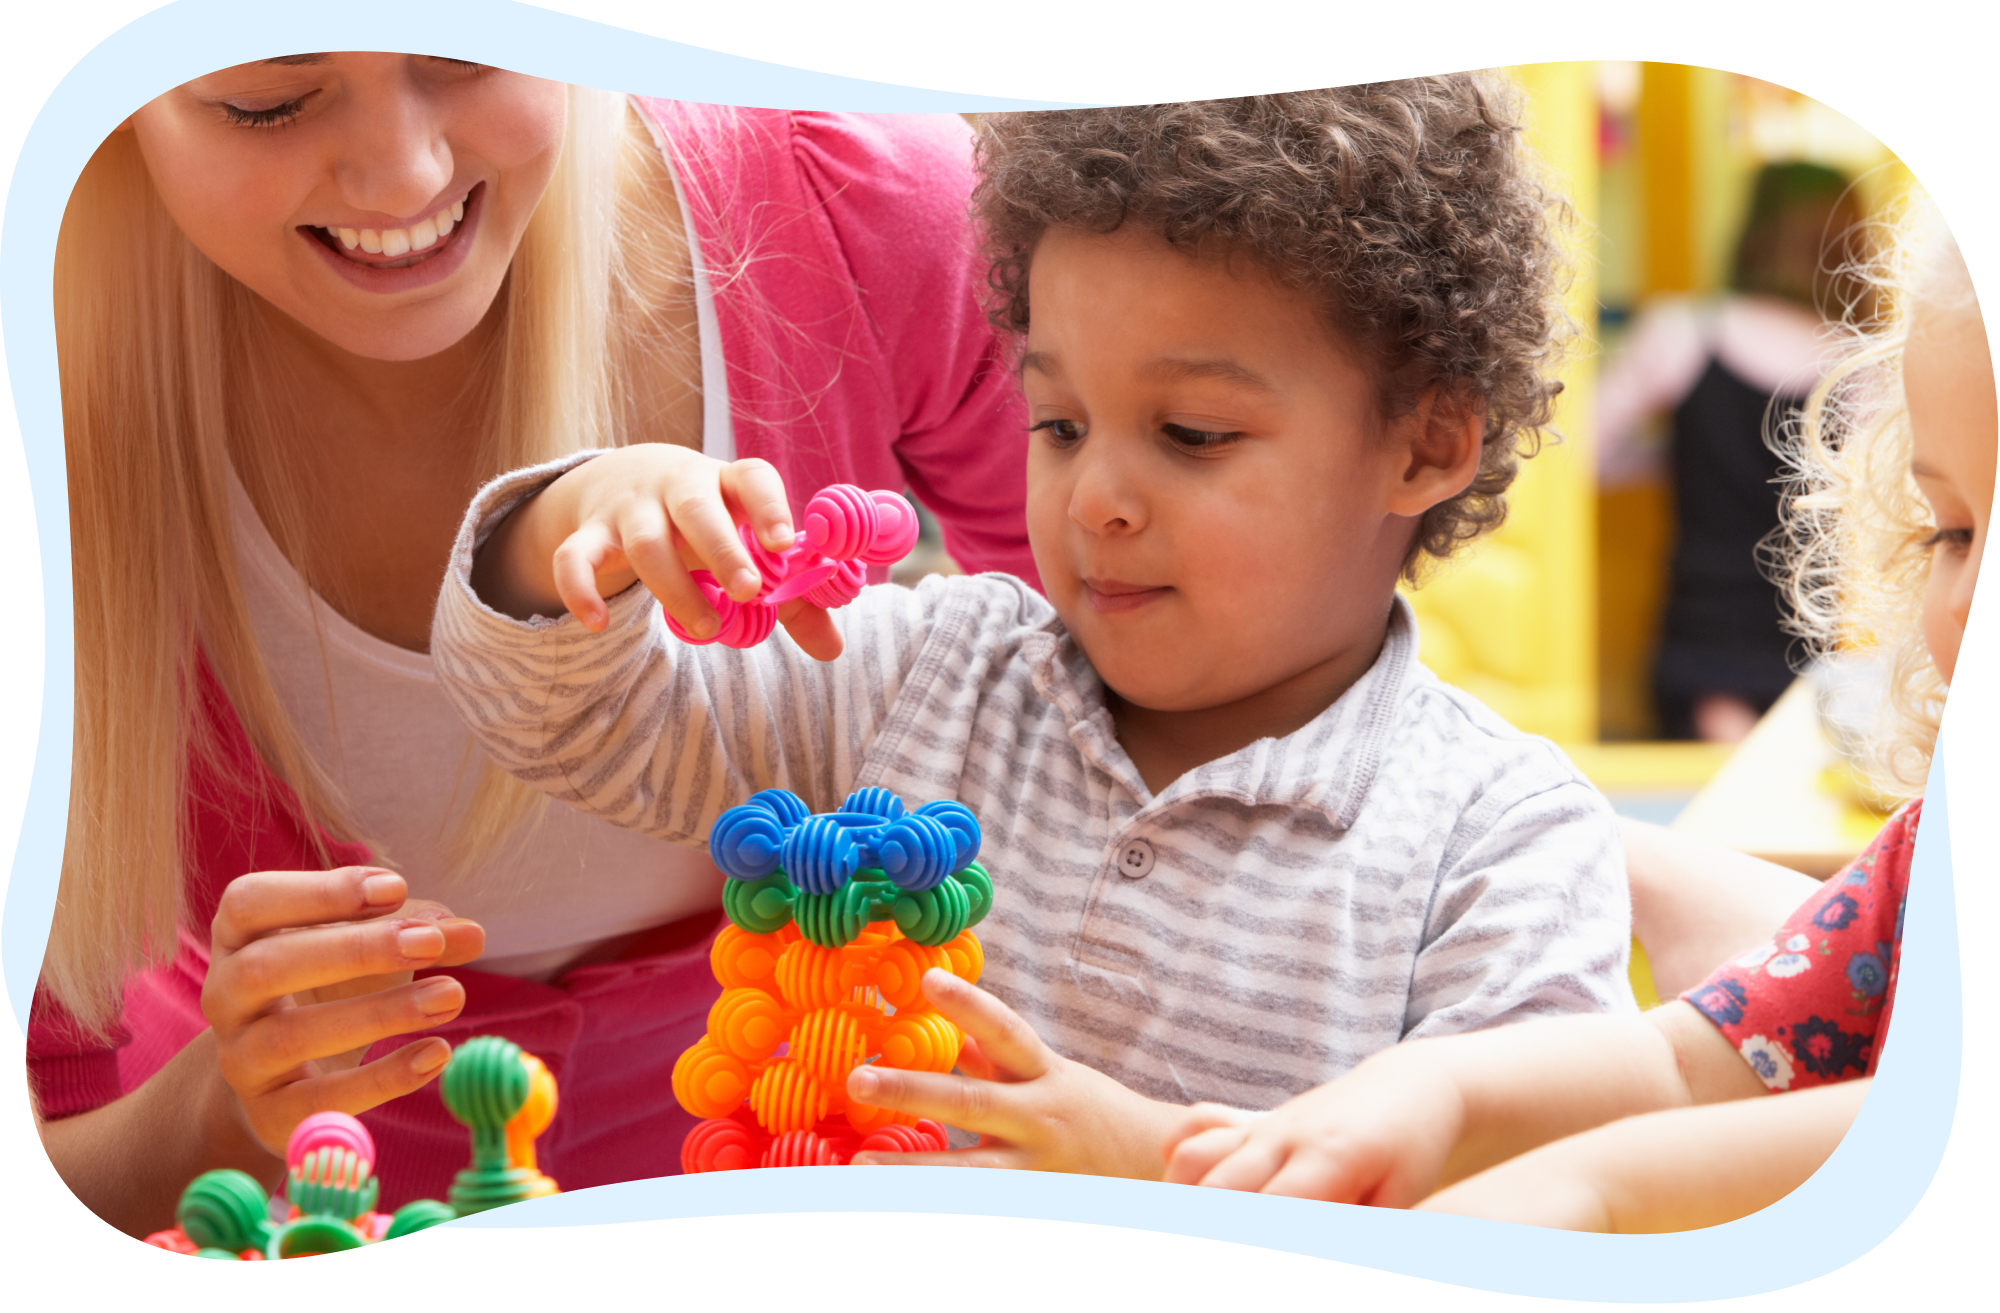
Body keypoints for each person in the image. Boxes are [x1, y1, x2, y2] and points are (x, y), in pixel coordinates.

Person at [429, 82, 1638, 1181]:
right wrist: (571, 521)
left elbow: (1539, 1203)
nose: (1092, 497)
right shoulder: (928, 673)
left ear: (1423, 446)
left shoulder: (1501, 842)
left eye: (1192, 435)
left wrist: (1143, 1157)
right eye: (1058, 423)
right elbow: (578, 724)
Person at [30, 53, 1040, 1233]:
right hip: (293, 1186)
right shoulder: (51, 396)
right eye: (270, 101)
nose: (403, 173)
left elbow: (1170, 674)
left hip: (830, 1111)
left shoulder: (852, 210)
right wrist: (209, 1107)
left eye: (462, 61)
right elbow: (75, 1120)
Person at [1159, 191, 1983, 1231]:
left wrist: (1602, 1183)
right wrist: (1440, 1088)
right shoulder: (1920, 867)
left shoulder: (1686, 339)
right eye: (1947, 531)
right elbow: (1692, 1063)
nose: (1955, 593)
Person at [1596, 162, 1869, 740]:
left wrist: (1680, 454)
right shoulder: (1862, 365)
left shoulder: (1684, 333)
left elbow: (1581, 453)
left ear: (1753, 231)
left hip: (1702, 645)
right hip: (1820, 648)